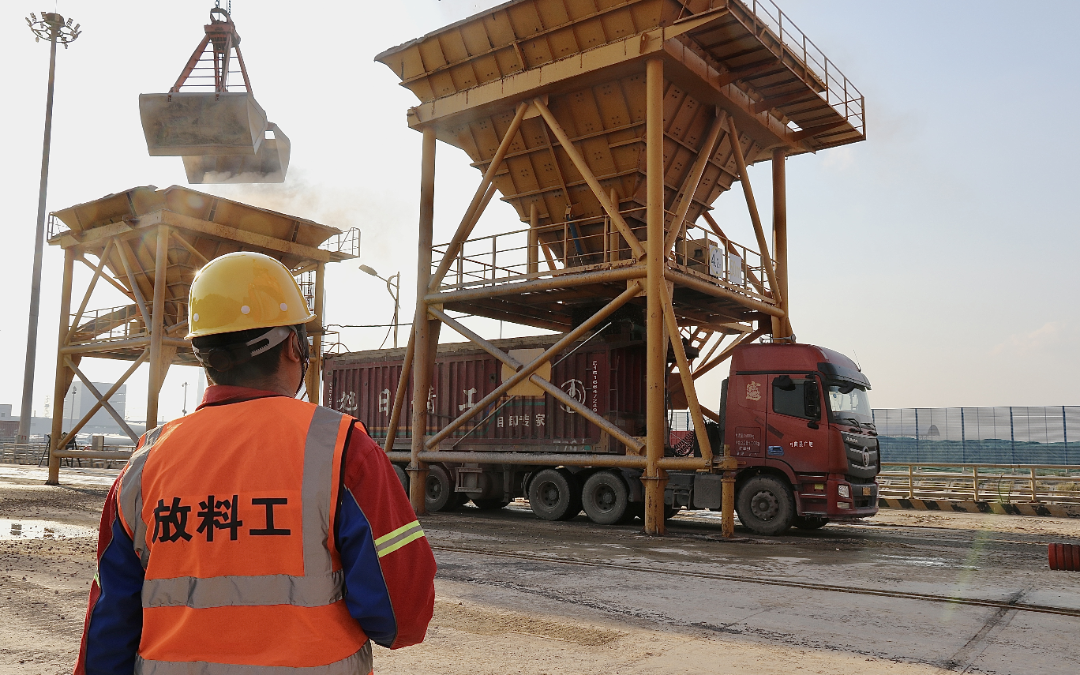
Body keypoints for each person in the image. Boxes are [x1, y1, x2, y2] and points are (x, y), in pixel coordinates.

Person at [75, 252, 436, 674]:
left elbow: (108, 629)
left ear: (204, 356)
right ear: (293, 346)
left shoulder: (146, 461)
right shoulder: (341, 447)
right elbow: (401, 615)